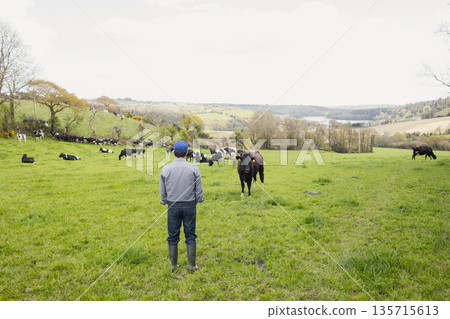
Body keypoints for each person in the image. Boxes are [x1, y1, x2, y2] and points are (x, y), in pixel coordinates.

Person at [160, 140, 204, 272]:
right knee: (190, 234)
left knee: (172, 235)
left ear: (173, 152)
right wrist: (198, 200)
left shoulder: (165, 169)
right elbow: (199, 189)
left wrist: (165, 201)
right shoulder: (194, 168)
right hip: (190, 205)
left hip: (172, 205)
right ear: (186, 153)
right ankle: (192, 265)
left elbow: (163, 190)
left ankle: (174, 265)